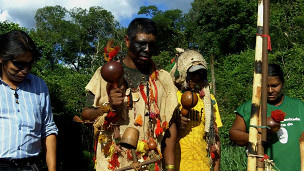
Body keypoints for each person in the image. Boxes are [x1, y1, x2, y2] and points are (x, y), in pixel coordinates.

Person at [81, 18, 178, 171]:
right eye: (141, 43)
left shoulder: (162, 79)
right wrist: (108, 107)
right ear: (127, 41)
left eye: (151, 45)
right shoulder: (105, 73)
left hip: (148, 164)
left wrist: (171, 168)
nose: (147, 49)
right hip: (111, 165)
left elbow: (170, 127)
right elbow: (86, 114)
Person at [0, 30, 58, 171]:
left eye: (29, 64)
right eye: (19, 64)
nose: (25, 70)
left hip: (31, 166)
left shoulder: (39, 85)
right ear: (2, 57)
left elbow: (48, 129)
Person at [229, 64, 304, 171]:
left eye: (275, 85)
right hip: (262, 167)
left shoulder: (298, 106)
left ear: (282, 83)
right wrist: (258, 137)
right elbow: (234, 134)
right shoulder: (252, 107)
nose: (270, 90)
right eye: (266, 86)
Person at [169, 49, 222, 171]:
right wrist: (175, 123)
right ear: (182, 73)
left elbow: (216, 138)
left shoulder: (208, 99)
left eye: (200, 73)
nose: (196, 77)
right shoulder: (171, 96)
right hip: (176, 165)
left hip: (202, 165)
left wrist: (216, 168)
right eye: (192, 73)